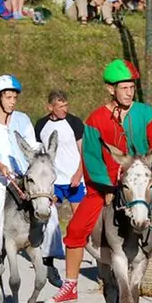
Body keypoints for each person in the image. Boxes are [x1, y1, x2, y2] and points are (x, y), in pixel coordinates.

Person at [48, 59, 152, 303]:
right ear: (110, 89)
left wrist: (149, 173)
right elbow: (91, 157)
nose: (129, 92)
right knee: (75, 228)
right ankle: (70, 285)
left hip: (141, 183)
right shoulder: (95, 119)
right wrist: (106, 187)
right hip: (102, 187)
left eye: (131, 87)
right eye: (124, 87)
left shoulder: (147, 114)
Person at [0, 75, 46, 287]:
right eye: (8, 97)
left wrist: (40, 158)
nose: (12, 101)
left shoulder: (22, 119)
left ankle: (49, 257)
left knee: (44, 199)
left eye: (14, 97)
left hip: (21, 170)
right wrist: (0, 167)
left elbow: (31, 145)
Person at [34, 90, 85, 288]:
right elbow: (39, 154)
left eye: (66, 105)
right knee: (49, 219)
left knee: (81, 223)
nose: (65, 109)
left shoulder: (75, 123)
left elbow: (83, 151)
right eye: (60, 106)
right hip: (53, 182)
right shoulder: (41, 125)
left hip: (73, 180)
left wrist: (79, 173)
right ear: (50, 107)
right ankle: (50, 264)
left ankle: (83, 266)